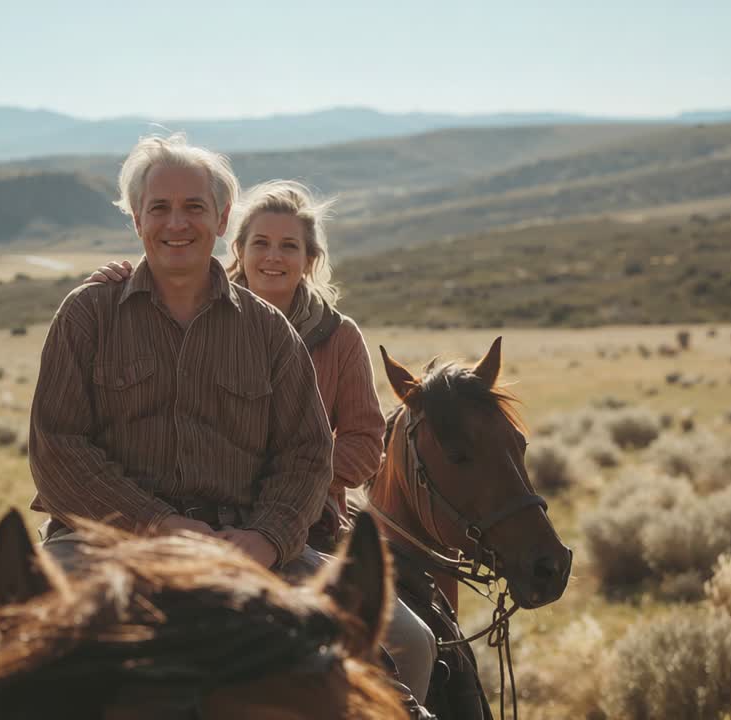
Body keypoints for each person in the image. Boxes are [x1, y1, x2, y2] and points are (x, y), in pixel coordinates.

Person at [29, 135, 437, 706]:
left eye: (195, 207)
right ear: (137, 219)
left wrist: (266, 539)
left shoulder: (269, 331)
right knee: (2, 653)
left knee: (408, 643)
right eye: (160, 208)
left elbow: (305, 456)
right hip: (101, 546)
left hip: (246, 544)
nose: (177, 223)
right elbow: (58, 450)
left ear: (221, 219)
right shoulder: (87, 315)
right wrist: (162, 526)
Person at [88, 180, 386, 553]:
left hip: (306, 521)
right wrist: (111, 288)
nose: (273, 257)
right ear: (239, 250)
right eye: (260, 243)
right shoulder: (193, 315)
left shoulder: (338, 336)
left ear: (309, 260)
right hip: (194, 516)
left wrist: (286, 485)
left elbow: (364, 445)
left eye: (289, 246)